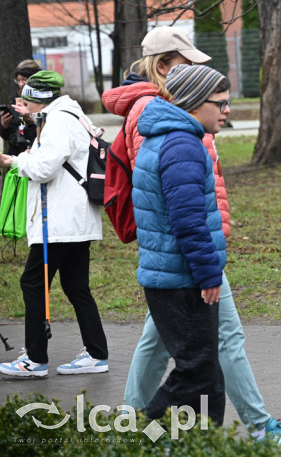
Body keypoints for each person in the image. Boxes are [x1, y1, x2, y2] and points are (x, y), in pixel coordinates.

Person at [107, 28, 281, 448]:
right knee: (212, 353)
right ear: (163, 66)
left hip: (185, 255)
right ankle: (253, 427)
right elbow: (175, 202)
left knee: (170, 350)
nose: (224, 109)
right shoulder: (161, 118)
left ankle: (143, 426)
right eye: (186, 65)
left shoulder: (168, 116)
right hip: (189, 257)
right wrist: (205, 263)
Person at [132, 64, 229, 424]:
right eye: (220, 103)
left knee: (206, 373)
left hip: (176, 275)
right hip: (181, 280)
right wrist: (208, 274)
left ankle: (203, 442)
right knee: (197, 371)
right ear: (195, 102)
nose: (226, 110)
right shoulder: (181, 145)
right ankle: (137, 433)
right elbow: (187, 220)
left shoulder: (172, 137)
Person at [0, 71, 109, 378]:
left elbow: (44, 168)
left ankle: (35, 360)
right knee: (76, 287)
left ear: (39, 99)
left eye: (27, 101)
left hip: (60, 221)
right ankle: (96, 354)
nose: (24, 107)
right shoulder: (73, 115)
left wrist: (14, 161)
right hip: (74, 219)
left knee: (32, 283)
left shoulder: (59, 120)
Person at [1, 59, 42, 157]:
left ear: (34, 79)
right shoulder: (15, 99)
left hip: (34, 153)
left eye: (24, 80)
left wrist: (31, 119)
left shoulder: (43, 100)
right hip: (15, 153)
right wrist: (4, 127)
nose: (20, 84)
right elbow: (8, 136)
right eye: (18, 80)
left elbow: (47, 129)